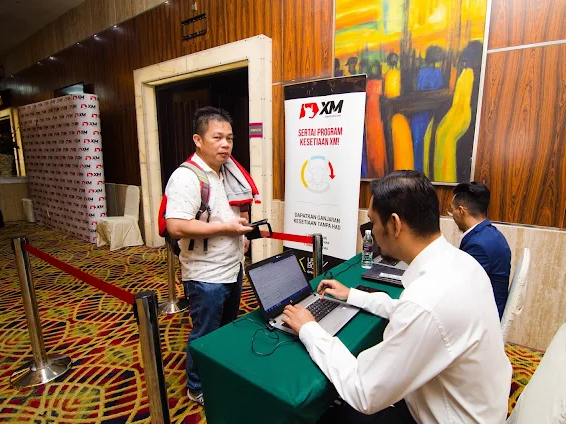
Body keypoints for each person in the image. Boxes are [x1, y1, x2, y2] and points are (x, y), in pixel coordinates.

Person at [282, 170, 511, 424]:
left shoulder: (426, 302)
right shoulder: (461, 262)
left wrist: (310, 329)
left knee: (330, 414)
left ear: (394, 224)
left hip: (448, 417)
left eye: (372, 222)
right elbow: (406, 309)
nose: (371, 231)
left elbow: (363, 391)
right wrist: (352, 295)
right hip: (474, 407)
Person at [164, 106, 255, 405]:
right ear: (198, 140)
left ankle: (218, 373)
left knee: (226, 329)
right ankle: (197, 386)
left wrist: (240, 234)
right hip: (205, 275)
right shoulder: (187, 177)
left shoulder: (227, 172)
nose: (225, 144)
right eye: (217, 137)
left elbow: (225, 214)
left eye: (229, 138)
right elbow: (176, 226)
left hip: (231, 267)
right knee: (205, 333)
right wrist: (226, 228)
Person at [448, 182, 511, 318]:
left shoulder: (478, 246)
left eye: (451, 210)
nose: (452, 215)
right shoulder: (490, 234)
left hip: (485, 318)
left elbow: (461, 291)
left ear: (461, 211)